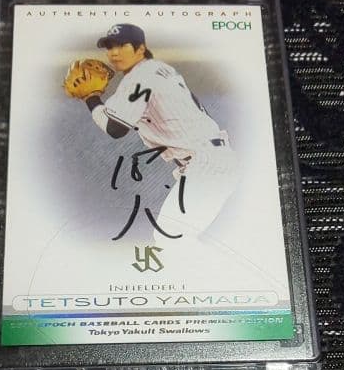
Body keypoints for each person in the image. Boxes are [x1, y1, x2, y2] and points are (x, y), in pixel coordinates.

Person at [82, 23, 237, 244]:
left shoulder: (141, 77)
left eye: (121, 45)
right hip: (212, 159)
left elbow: (115, 128)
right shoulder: (158, 69)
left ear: (140, 48)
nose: (114, 52)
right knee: (174, 239)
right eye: (109, 47)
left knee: (171, 237)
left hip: (206, 164)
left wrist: (90, 98)